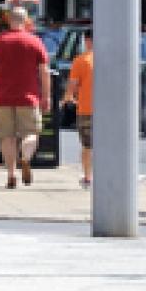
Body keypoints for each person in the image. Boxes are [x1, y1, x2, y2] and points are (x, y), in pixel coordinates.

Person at [0, 3, 52, 189]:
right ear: (26, 21)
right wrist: (47, 95)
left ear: (8, 20)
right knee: (32, 133)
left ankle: (11, 174)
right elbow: (44, 71)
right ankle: (26, 157)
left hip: (3, 97)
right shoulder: (35, 42)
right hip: (29, 97)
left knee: (7, 137)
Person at [62, 30, 94, 188]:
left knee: (88, 145)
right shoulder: (109, 59)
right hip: (109, 111)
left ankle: (88, 177)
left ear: (87, 41)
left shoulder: (81, 61)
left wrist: (68, 98)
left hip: (86, 109)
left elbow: (72, 84)